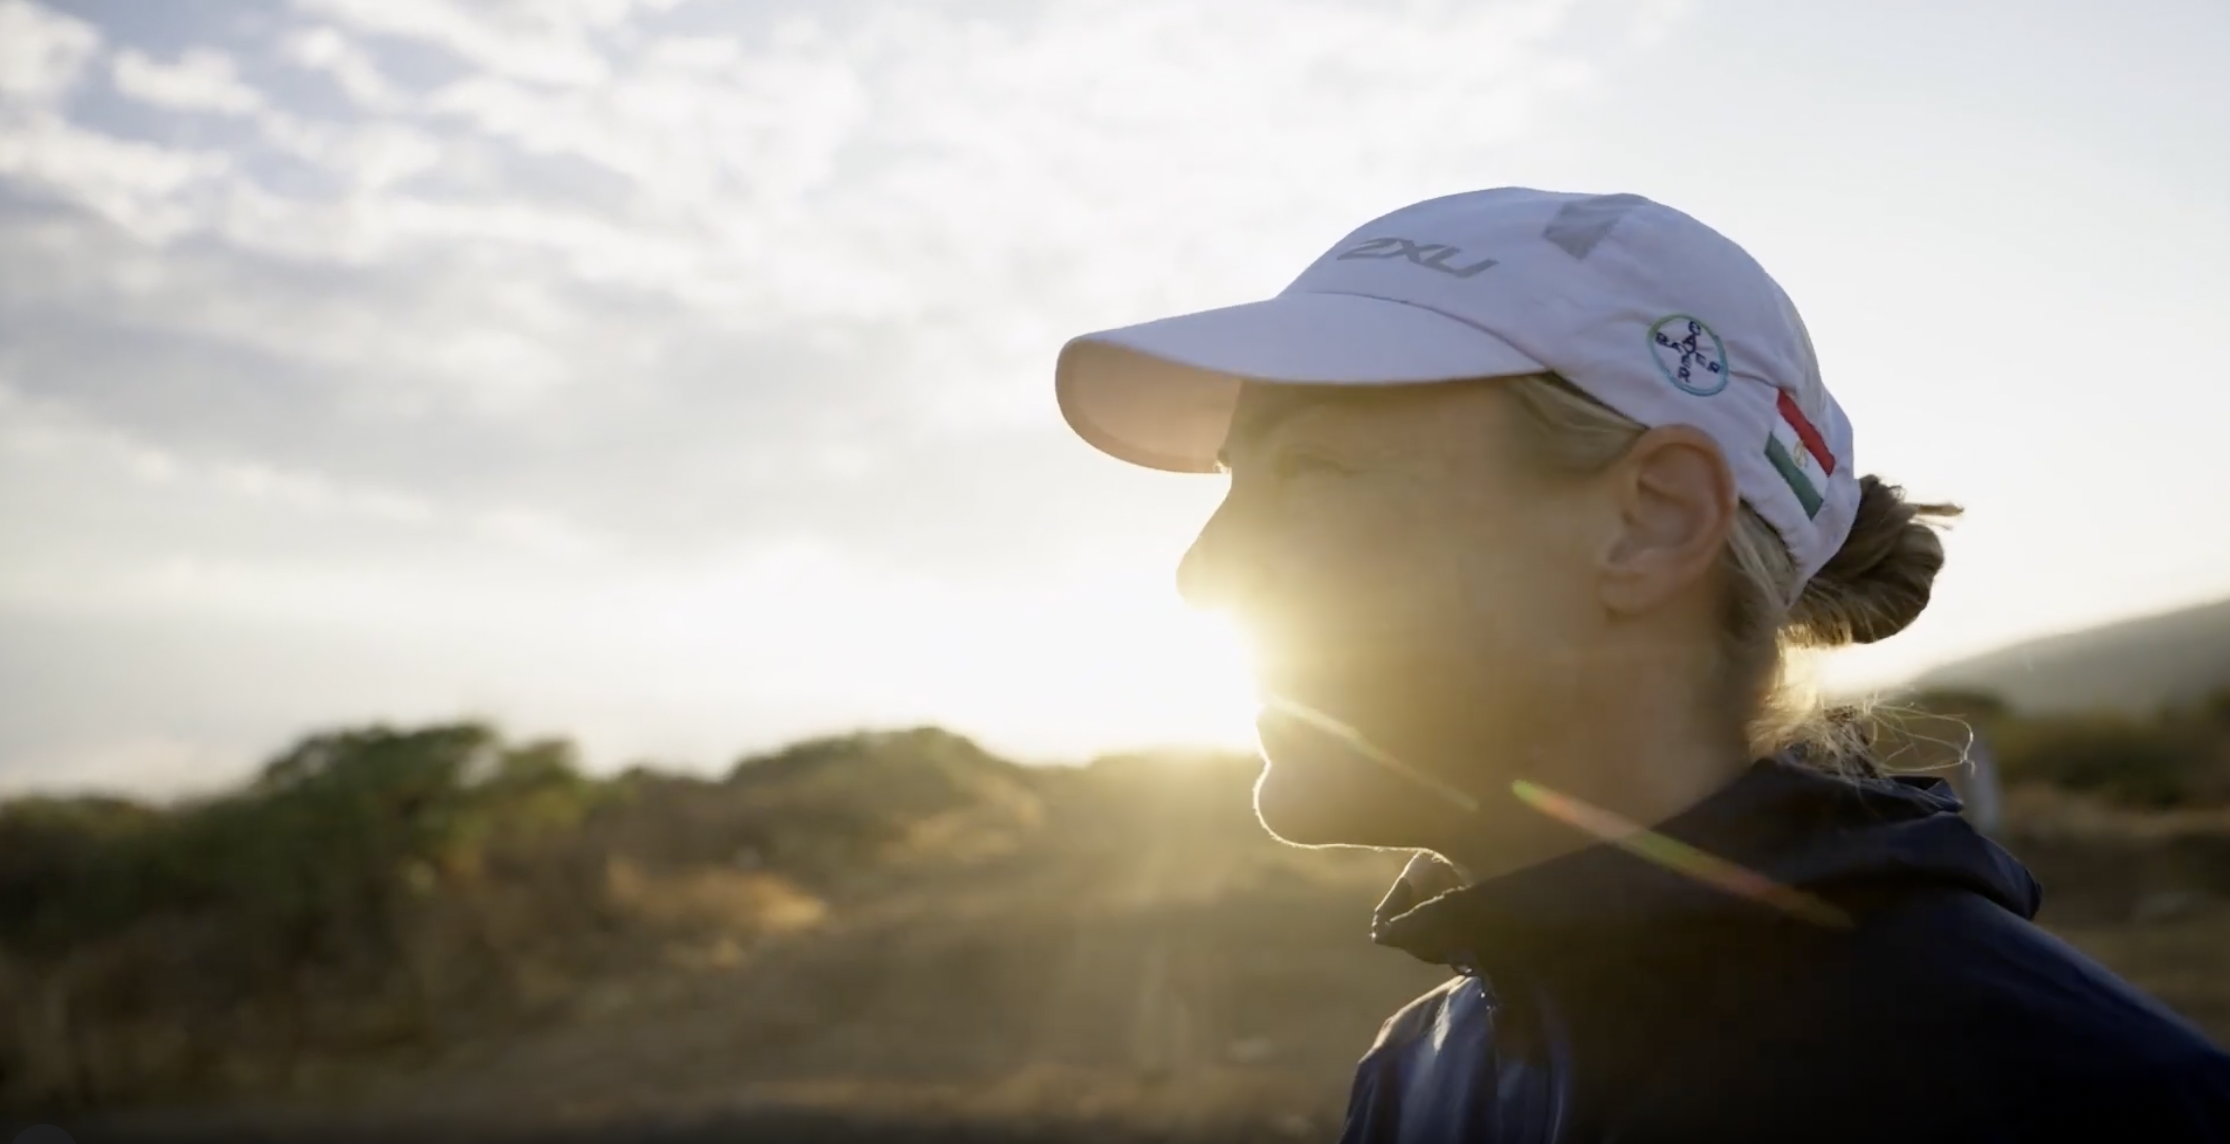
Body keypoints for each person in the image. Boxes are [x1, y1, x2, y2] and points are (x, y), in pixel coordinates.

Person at [1053, 188, 2230, 1142]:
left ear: (1655, 521)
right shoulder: (1420, 1069)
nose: (1201, 572)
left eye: (1312, 475)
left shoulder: (2079, 1103)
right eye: (1232, 484)